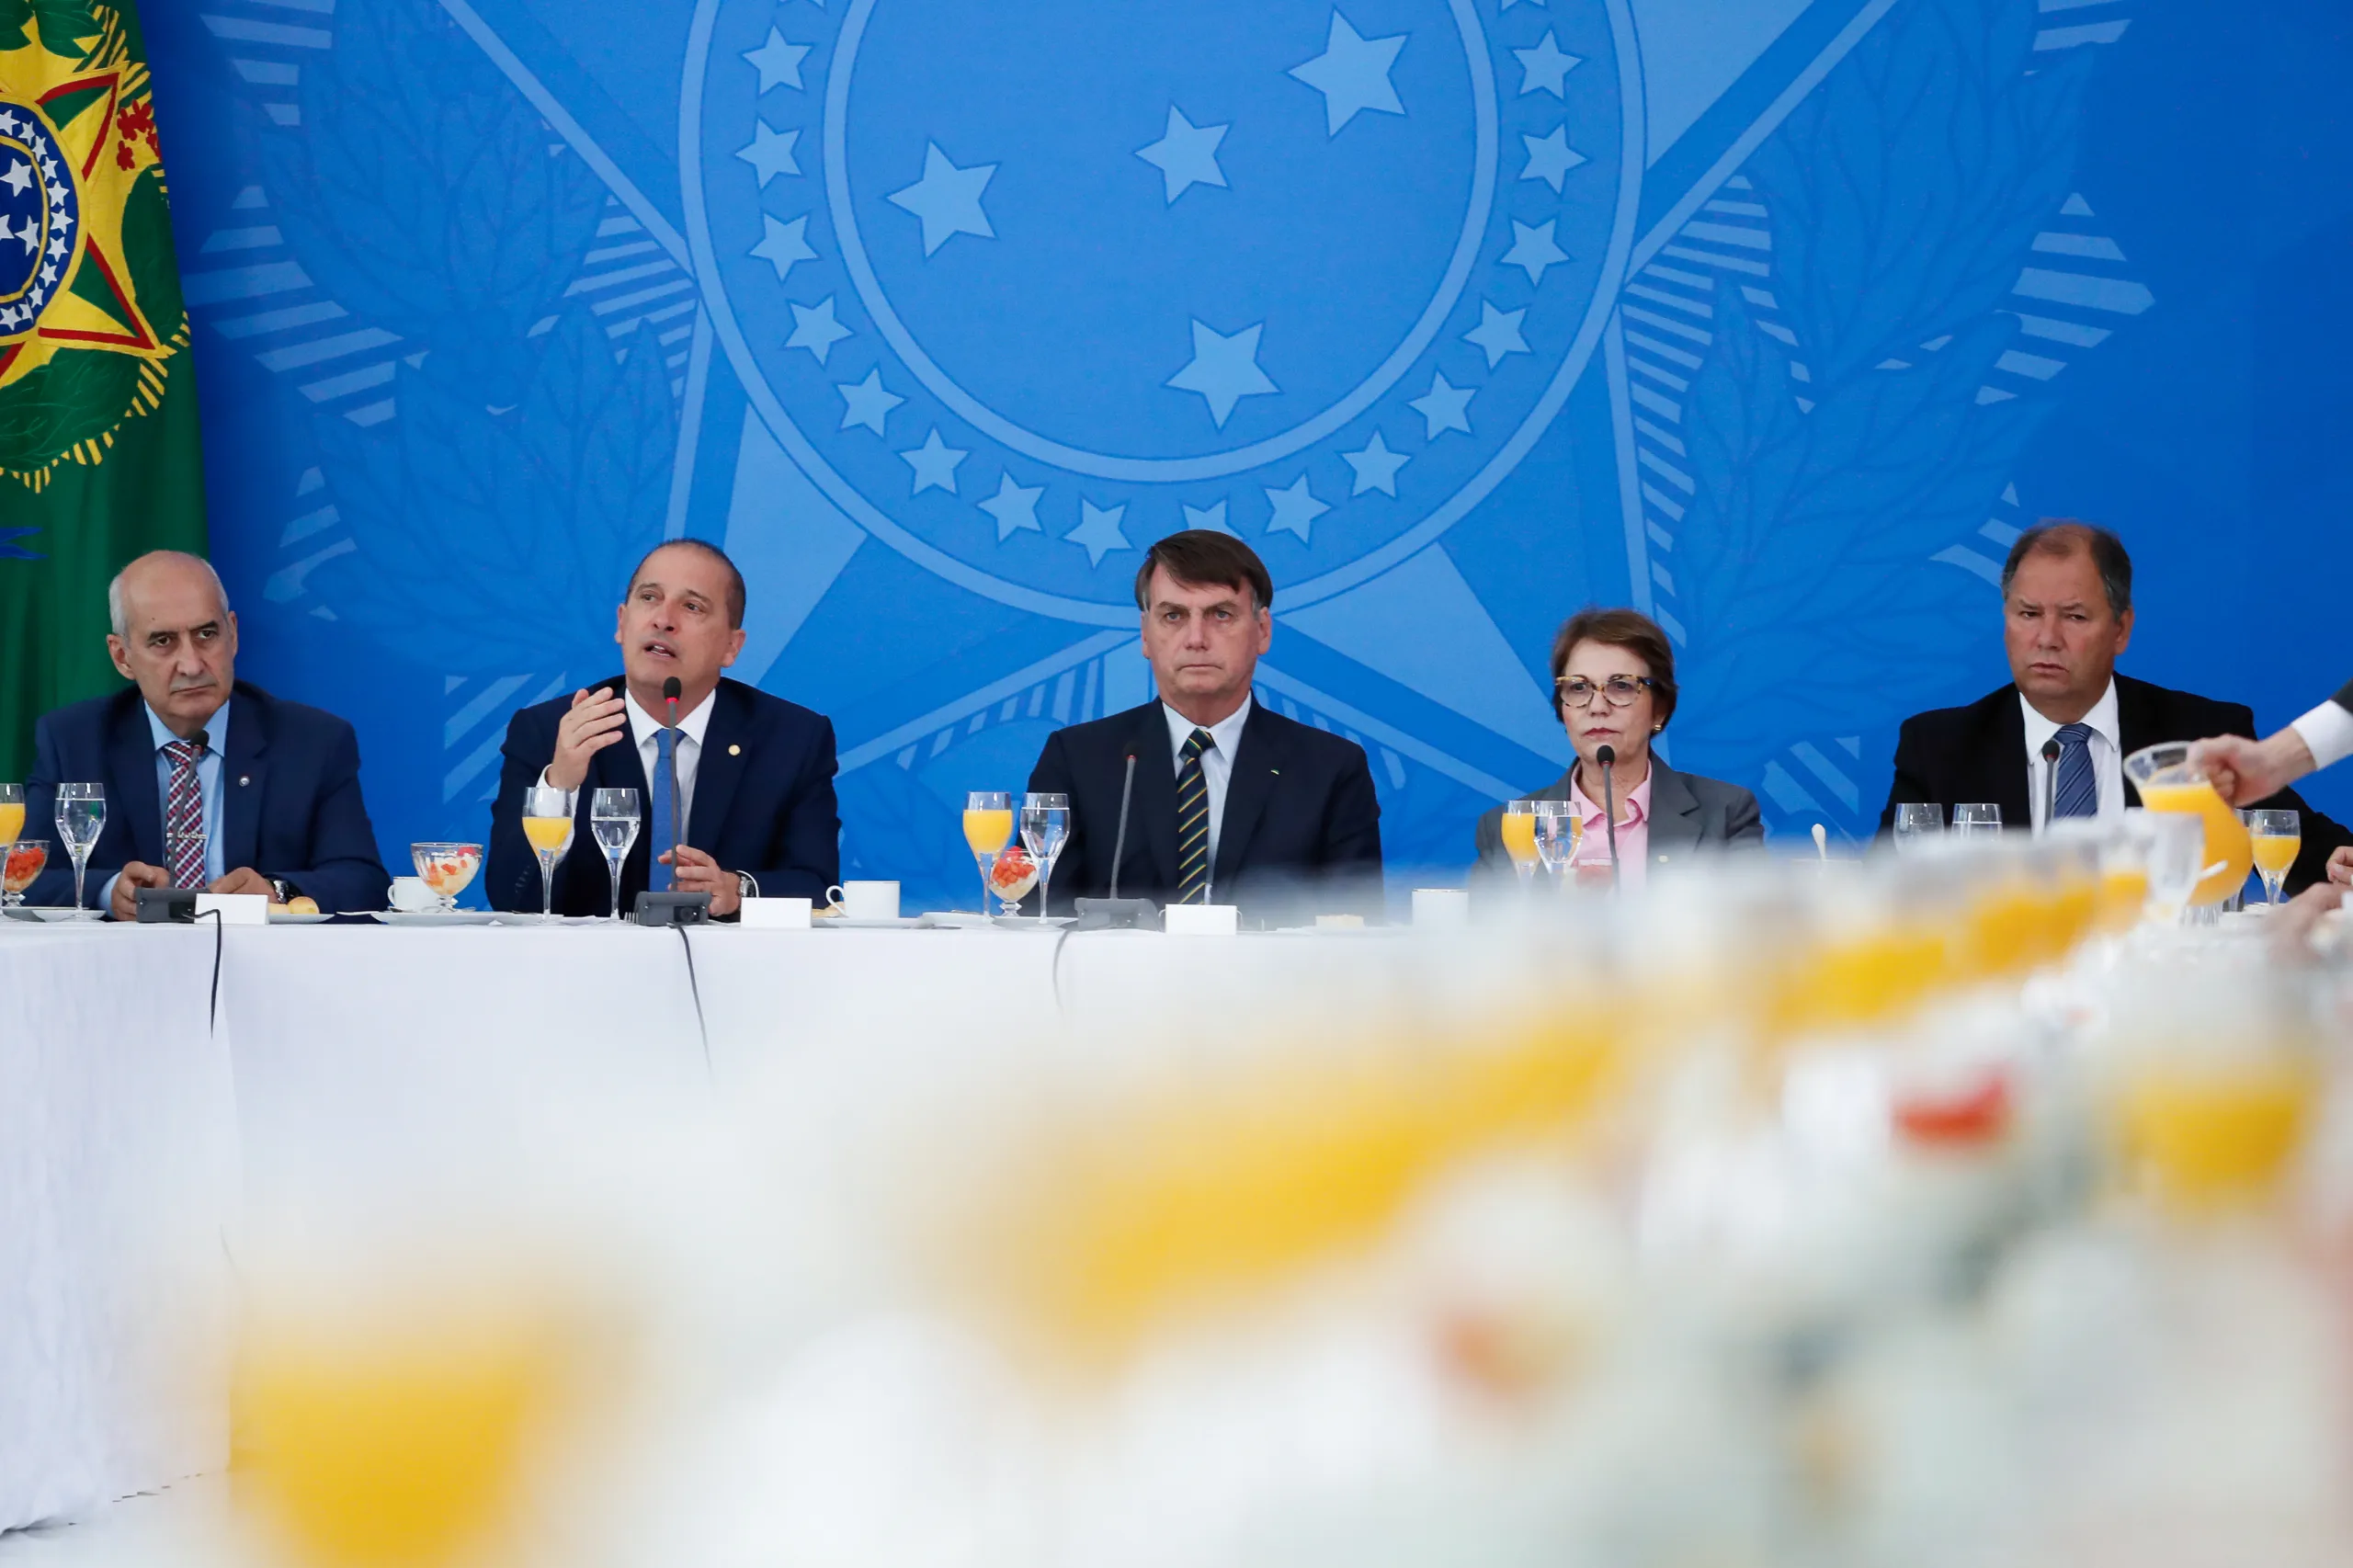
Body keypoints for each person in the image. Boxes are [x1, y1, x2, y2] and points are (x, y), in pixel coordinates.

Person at [1880, 520, 2348, 892]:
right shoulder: (1940, 746)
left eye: (2074, 616)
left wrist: (2337, 863)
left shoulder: (2196, 736)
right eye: (2028, 614)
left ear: (2121, 629)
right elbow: (1887, 889)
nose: (2046, 638)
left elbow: (2294, 843)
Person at [1026, 529, 1382, 920]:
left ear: (1262, 630)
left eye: (1221, 615)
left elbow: (1355, 931)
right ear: (1146, 634)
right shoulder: (1077, 760)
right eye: (1173, 616)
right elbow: (1041, 916)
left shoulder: (1331, 769)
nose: (1196, 639)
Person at [21, 551, 390, 916]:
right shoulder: (72, 741)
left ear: (233, 635)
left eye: (206, 634)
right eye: (162, 641)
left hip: (267, 966)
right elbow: (21, 878)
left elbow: (363, 881)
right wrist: (106, 890)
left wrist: (277, 892)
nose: (192, 664)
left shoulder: (313, 742)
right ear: (122, 657)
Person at [485, 539, 839, 918]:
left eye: (692, 607)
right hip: (586, 970)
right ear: (622, 623)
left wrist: (738, 890)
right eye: (649, 598)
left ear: (731, 647)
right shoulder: (548, 731)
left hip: (733, 970)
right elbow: (511, 897)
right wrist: (561, 787)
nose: (663, 619)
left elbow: (819, 889)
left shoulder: (792, 739)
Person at [1473, 608, 1761, 887]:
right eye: (1578, 688)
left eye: (1621, 687)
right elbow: (1481, 932)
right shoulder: (1508, 827)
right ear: (1563, 709)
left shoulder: (1724, 813)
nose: (1597, 707)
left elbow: (1753, 928)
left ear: (1659, 709)